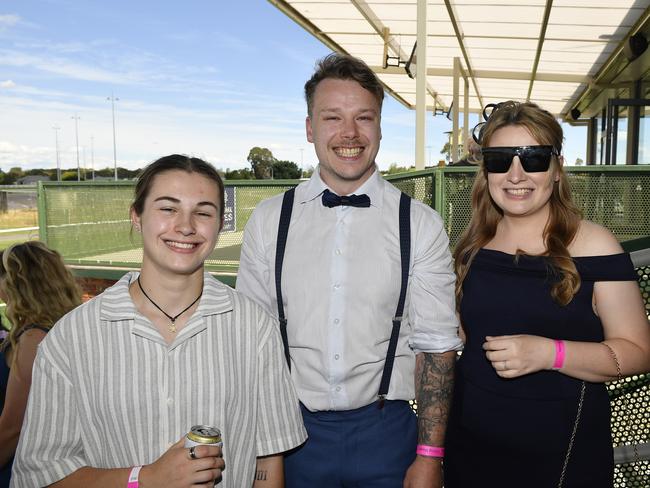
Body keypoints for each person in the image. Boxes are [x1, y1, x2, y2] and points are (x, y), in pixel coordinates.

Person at [11, 155, 307, 488]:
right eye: (168, 208)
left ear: (220, 225)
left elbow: (267, 460)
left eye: (204, 212)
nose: (186, 225)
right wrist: (145, 479)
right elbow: (38, 478)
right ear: (136, 216)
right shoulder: (71, 338)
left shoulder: (255, 328)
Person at [237, 53, 462, 487]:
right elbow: (253, 347)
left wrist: (430, 457)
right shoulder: (269, 221)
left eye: (364, 117)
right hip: (290, 434)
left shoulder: (419, 223)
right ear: (309, 129)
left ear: (379, 127)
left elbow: (437, 348)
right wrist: (266, 454)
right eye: (332, 118)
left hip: (387, 431)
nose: (349, 134)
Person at [445, 101, 650, 487]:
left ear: (557, 168)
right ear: (486, 170)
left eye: (534, 158)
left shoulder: (595, 245)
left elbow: (639, 351)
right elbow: (466, 339)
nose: (516, 174)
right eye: (501, 159)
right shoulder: (473, 245)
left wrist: (549, 353)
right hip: (470, 451)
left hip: (561, 460)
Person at [0, 241, 82, 488]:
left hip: (23, 469)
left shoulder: (33, 339)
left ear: (17, 282)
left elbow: (13, 427)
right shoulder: (72, 325)